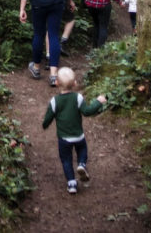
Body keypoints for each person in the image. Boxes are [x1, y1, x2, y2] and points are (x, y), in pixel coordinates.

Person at [41, 66, 106, 194]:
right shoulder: (78, 98)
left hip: (64, 139)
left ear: (56, 82)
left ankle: (71, 183)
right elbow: (87, 112)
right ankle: (81, 164)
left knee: (66, 160)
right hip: (79, 137)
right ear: (75, 83)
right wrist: (98, 102)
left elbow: (48, 117)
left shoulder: (55, 101)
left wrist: (45, 125)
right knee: (82, 150)